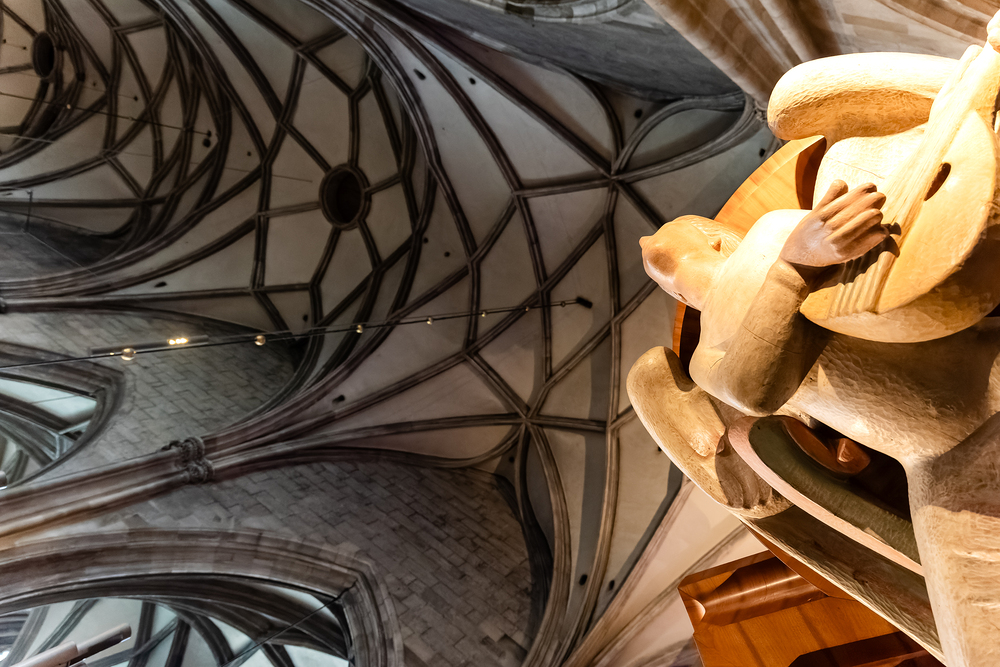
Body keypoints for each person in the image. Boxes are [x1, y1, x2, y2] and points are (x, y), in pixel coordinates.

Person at [630, 27, 1000, 667]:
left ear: (719, 238)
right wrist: (792, 269)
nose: (679, 276)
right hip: (943, 464)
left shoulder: (787, 227)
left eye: (684, 256)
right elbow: (754, 387)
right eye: (672, 280)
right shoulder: (717, 351)